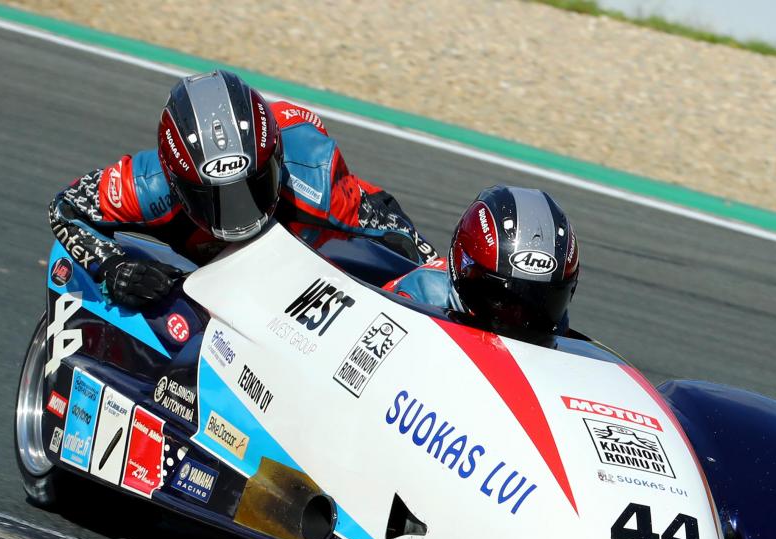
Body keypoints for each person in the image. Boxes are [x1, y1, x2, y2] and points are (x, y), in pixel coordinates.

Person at [49, 69, 434, 307]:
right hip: (210, 283)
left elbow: (409, 244)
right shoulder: (149, 184)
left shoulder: (316, 180)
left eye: (253, 187)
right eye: (213, 198)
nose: (238, 214)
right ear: (177, 182)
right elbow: (66, 206)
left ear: (275, 161)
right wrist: (111, 266)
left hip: (312, 272)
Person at [383, 185, 579, 342]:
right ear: (463, 270)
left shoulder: (556, 325)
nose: (518, 319)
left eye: (538, 303)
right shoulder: (417, 299)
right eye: (500, 299)